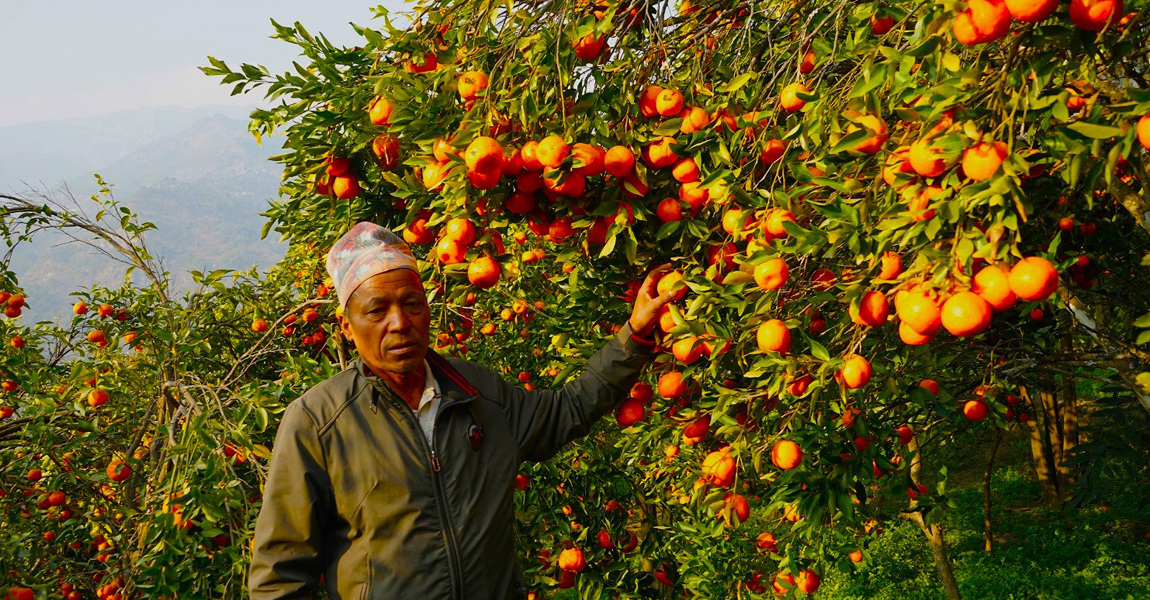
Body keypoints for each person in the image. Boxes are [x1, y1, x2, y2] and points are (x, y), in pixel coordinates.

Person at [248, 221, 678, 600]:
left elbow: (568, 410)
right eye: (377, 310)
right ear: (346, 325)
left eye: (412, 303)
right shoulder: (319, 423)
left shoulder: (478, 393)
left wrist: (635, 334)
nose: (399, 322)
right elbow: (279, 577)